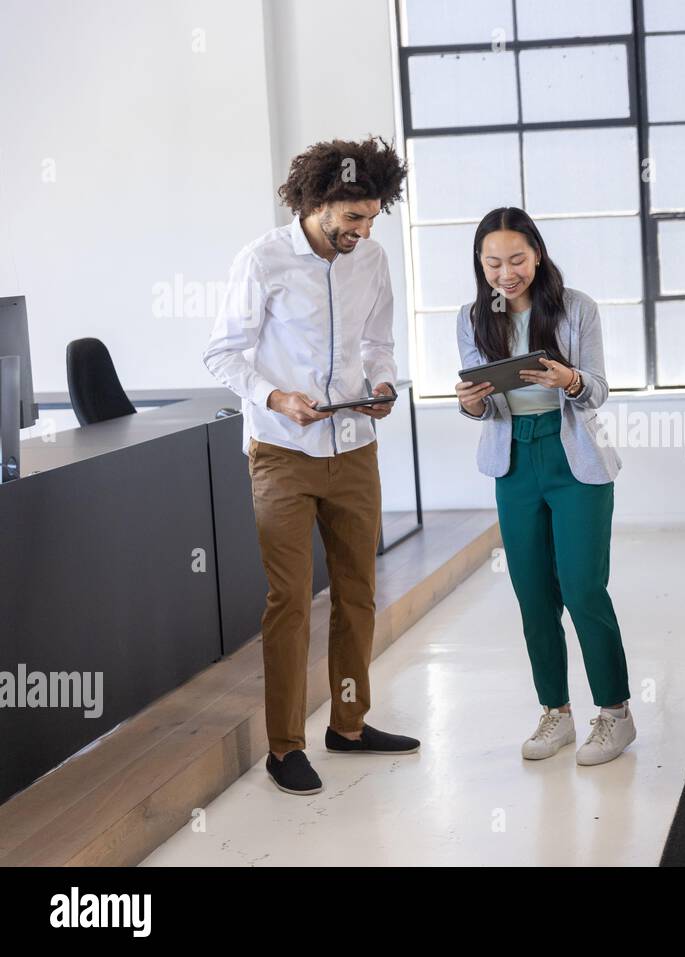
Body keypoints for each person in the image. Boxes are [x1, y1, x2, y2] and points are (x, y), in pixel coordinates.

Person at [202, 137, 419, 796]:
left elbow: (379, 341)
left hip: (354, 446)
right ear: (316, 203)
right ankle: (284, 746)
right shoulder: (263, 261)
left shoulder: (372, 259)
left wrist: (381, 384)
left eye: (372, 218)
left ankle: (348, 725)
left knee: (358, 592)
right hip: (282, 454)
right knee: (289, 600)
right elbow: (221, 352)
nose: (362, 231)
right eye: (352, 218)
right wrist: (275, 396)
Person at [455, 207, 634, 766]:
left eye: (516, 259)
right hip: (513, 462)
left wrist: (570, 379)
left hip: (573, 457)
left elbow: (598, 389)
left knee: (583, 590)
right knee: (533, 596)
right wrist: (472, 403)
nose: (505, 273)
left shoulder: (576, 308)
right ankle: (555, 713)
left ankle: (615, 715)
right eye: (492, 263)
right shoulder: (471, 317)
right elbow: (480, 403)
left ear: (537, 253)